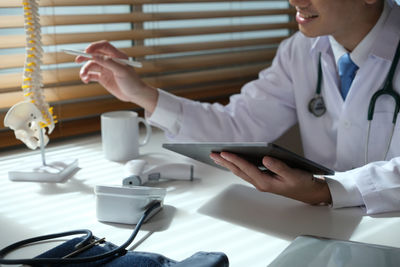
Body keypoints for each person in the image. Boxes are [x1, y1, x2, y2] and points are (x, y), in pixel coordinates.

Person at [77, 0, 400, 214]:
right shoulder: (299, 50)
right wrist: (144, 94)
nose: (296, 0)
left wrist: (327, 190)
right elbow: (240, 125)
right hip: (326, 224)